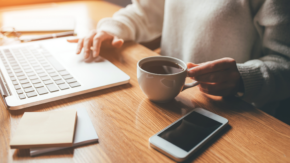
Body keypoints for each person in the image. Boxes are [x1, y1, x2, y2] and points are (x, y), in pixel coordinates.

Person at [68, 0, 290, 115]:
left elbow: (285, 63)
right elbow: (145, 12)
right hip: (172, 106)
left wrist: (244, 78)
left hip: (235, 113)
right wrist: (113, 28)